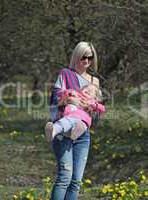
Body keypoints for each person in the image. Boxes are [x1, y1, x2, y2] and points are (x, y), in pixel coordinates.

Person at [47, 41, 101, 200]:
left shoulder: (94, 81)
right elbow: (54, 100)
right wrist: (70, 101)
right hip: (63, 131)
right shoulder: (65, 74)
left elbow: (98, 110)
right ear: (76, 56)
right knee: (65, 177)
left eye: (90, 58)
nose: (86, 61)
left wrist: (92, 108)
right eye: (83, 57)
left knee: (76, 181)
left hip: (83, 134)